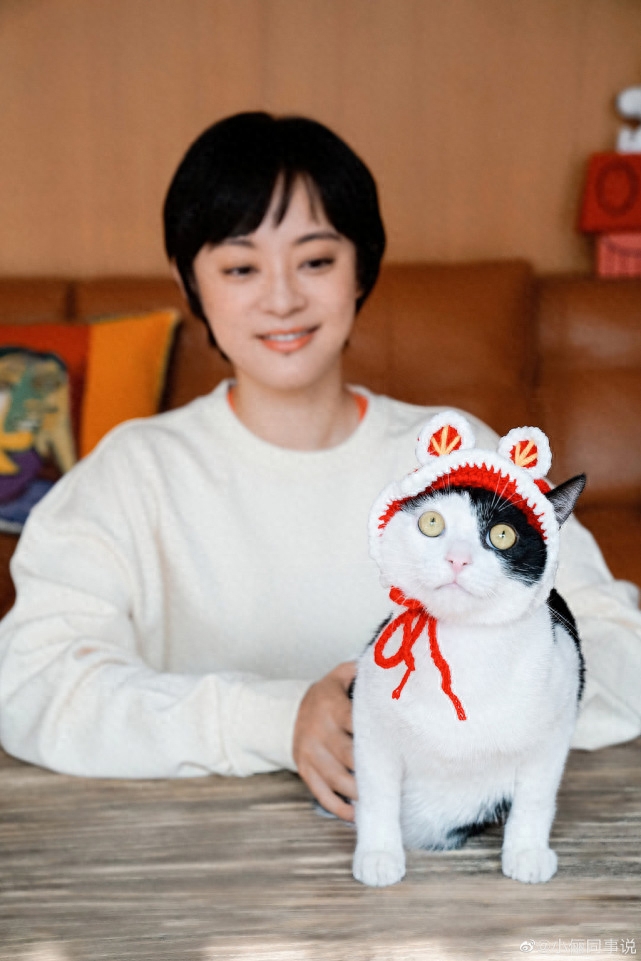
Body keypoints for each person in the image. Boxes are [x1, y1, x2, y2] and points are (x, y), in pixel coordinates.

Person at [0, 113, 639, 823]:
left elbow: (617, 648)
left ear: (360, 268)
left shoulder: (458, 459)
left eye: (315, 261)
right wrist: (278, 718)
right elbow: (33, 682)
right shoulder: (131, 472)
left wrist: (452, 706)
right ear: (190, 284)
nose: (282, 298)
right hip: (187, 853)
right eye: (240, 268)